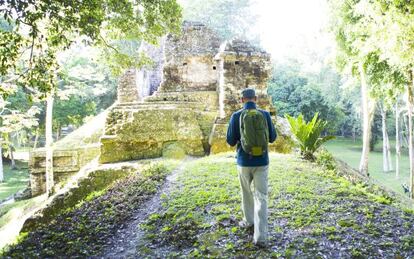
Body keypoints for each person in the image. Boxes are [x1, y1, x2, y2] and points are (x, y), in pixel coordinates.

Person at [226, 88, 277, 247]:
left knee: (246, 192)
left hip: (244, 161)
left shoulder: (236, 116)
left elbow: (230, 141)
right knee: (261, 196)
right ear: (255, 99)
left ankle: (248, 221)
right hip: (262, 161)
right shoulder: (265, 115)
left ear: (242, 100)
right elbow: (273, 138)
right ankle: (261, 237)